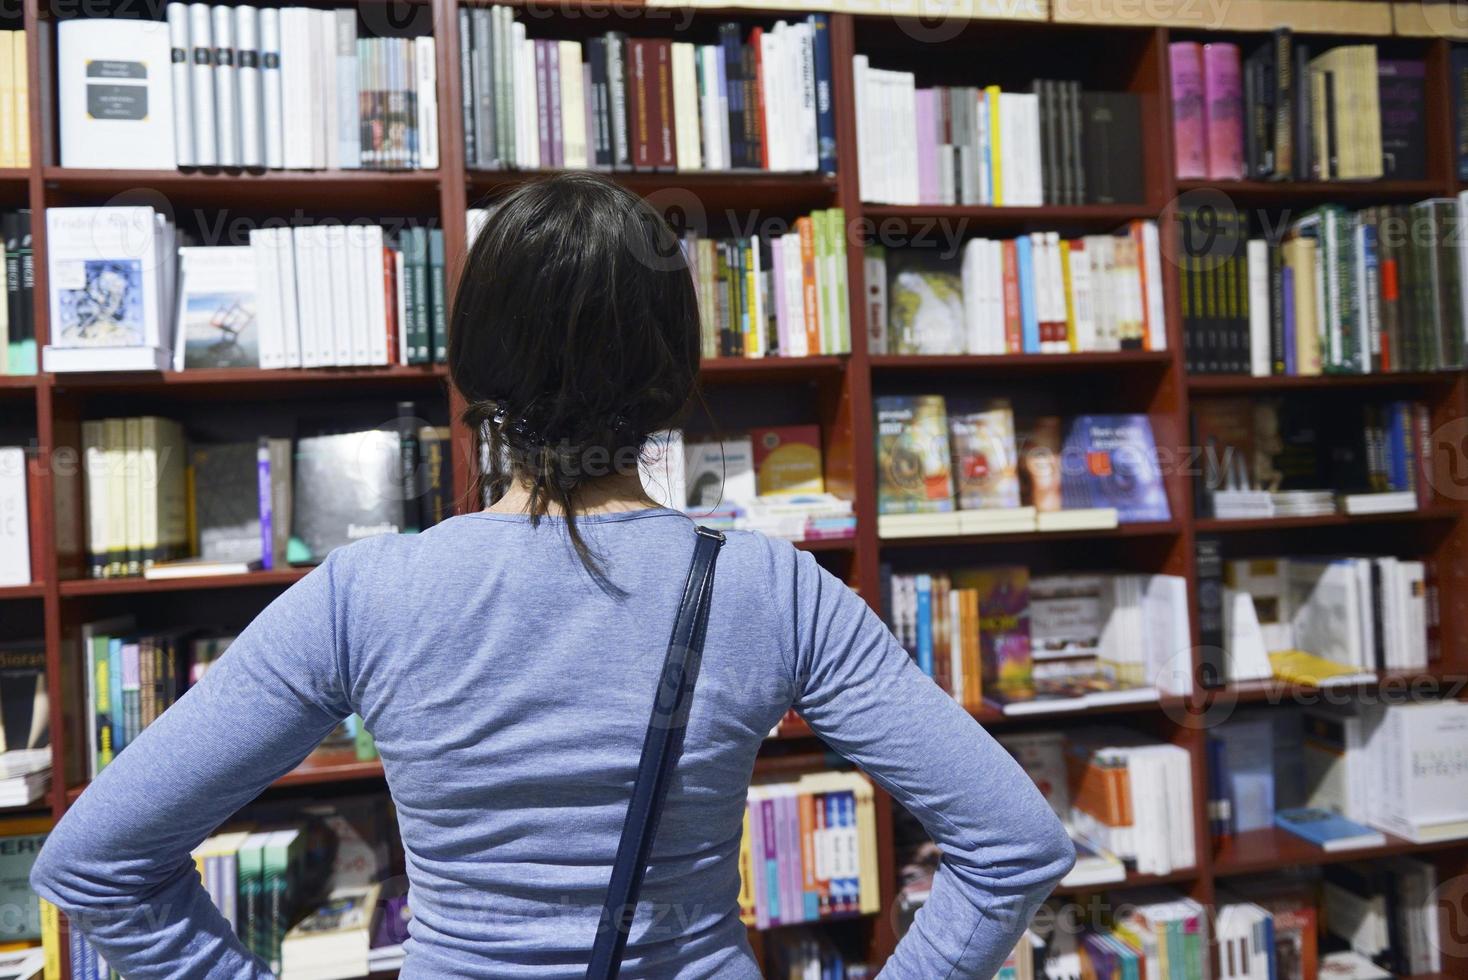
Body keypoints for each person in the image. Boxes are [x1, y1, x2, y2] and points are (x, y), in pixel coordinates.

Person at [31, 173, 1073, 978]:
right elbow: (1014, 845)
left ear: (473, 374)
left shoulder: (363, 594)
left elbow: (95, 866)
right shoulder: (774, 587)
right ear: (674, 375)